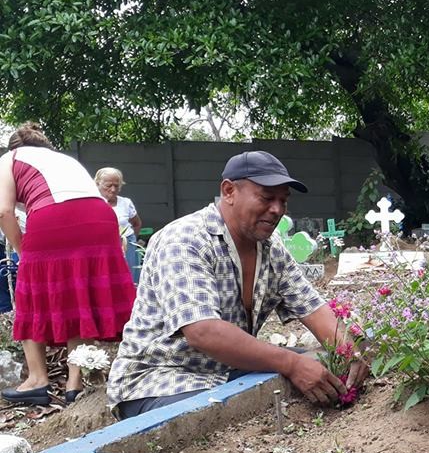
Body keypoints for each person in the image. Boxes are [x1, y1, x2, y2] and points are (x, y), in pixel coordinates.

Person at [107, 150, 368, 419]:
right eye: (267, 198)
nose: (277, 209)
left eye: (283, 200)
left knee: (322, 365)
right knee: (238, 414)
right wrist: (290, 363)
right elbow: (203, 331)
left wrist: (348, 351)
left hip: (227, 370)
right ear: (229, 191)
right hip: (163, 380)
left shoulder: (270, 248)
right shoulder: (185, 239)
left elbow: (312, 307)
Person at [0, 123, 136, 406]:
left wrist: (23, 250)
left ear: (15, 146)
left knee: (30, 296)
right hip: (100, 217)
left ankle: (37, 381)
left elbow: (4, 210)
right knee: (79, 295)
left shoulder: (10, 159)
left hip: (54, 217)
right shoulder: (64, 160)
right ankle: (74, 384)